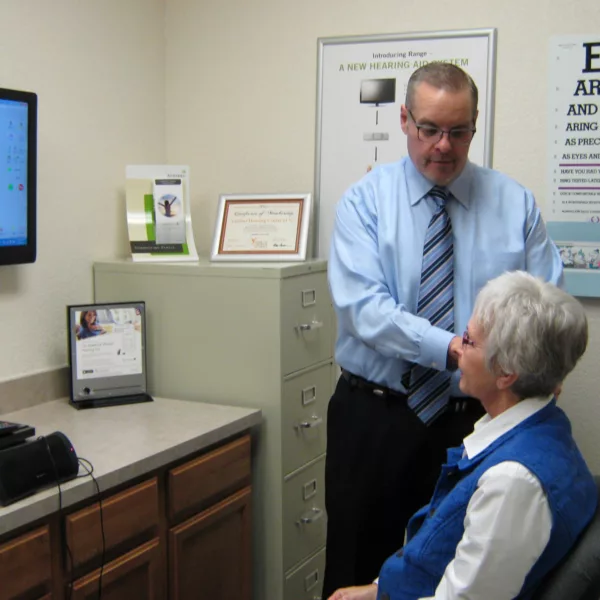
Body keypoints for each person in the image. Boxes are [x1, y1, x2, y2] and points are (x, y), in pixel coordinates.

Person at [324, 62, 564, 597]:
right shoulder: (366, 202)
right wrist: (455, 351)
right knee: (359, 568)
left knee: (459, 574)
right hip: (375, 419)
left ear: (474, 126)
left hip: (476, 420)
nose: (443, 146)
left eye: (458, 131)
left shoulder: (514, 204)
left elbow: (546, 303)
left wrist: (540, 362)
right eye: (429, 129)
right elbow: (364, 308)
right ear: (405, 120)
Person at [328, 271, 596, 600]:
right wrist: (376, 591)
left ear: (506, 373)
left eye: (467, 340)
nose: (457, 351)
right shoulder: (545, 428)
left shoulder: (511, 482)